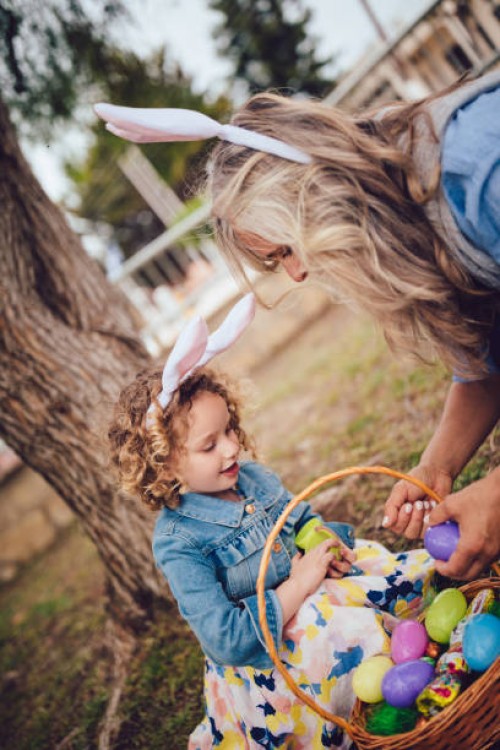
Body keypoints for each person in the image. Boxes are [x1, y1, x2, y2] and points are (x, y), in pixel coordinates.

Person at [93, 67, 500, 583]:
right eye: (277, 260)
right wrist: (435, 468)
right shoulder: (420, 224)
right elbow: (486, 364)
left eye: (286, 247)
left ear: (316, 188)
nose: (299, 272)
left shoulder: (481, 172)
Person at [108, 294, 434, 749]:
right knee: (352, 637)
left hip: (317, 593)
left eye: (229, 430)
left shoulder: (254, 478)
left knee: (408, 579)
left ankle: (425, 656)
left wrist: (322, 542)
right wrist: (299, 582)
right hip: (276, 657)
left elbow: (300, 517)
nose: (230, 448)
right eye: (209, 445)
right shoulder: (177, 542)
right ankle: (386, 703)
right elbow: (227, 639)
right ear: (164, 465)